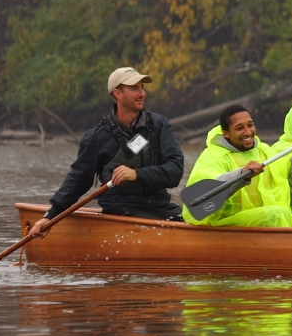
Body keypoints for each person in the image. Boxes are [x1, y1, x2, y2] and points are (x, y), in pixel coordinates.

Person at [29, 67, 185, 238]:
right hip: (121, 212)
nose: (142, 94)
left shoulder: (159, 125)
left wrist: (137, 174)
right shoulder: (96, 137)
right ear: (117, 93)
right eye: (134, 89)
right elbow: (77, 180)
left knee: (183, 221)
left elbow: (175, 171)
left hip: (160, 208)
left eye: (142, 88)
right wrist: (50, 216)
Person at [182, 104, 292, 227]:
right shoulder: (213, 156)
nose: (248, 132)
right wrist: (241, 174)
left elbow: (291, 198)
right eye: (239, 128)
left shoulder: (265, 151)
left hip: (269, 219)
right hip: (228, 224)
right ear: (226, 133)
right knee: (276, 214)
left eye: (250, 125)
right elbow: (202, 197)